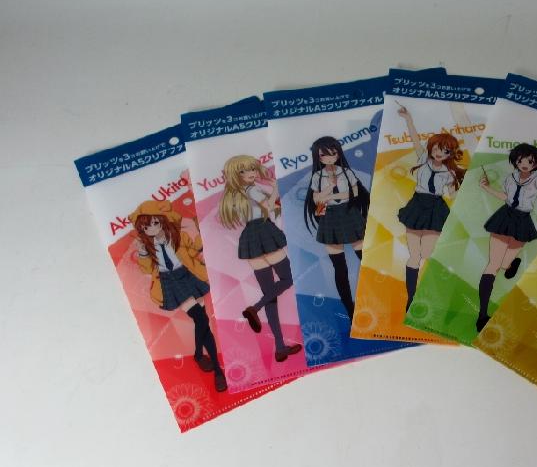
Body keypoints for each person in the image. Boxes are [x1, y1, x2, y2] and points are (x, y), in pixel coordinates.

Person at [475, 142, 537, 332]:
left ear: (536, 163)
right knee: (493, 265)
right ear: (515, 162)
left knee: (504, 264)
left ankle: (511, 264)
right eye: (520, 161)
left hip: (522, 221)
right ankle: (482, 315)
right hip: (505, 217)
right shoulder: (510, 178)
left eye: (530, 161)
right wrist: (486, 187)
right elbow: (506, 197)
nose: (525, 164)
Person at [131, 199, 227, 392]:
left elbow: (194, 248)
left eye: (154, 223)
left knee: (202, 320)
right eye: (146, 227)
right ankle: (215, 369)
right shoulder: (148, 247)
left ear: (162, 220)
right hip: (170, 282)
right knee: (201, 319)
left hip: (188, 274)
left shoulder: (177, 236)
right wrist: (142, 254)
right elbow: (147, 269)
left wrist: (202, 230)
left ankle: (202, 357)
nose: (151, 229)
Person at [219, 155, 302, 362]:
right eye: (244, 171)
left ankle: (280, 347)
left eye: (252, 169)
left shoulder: (234, 195)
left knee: (270, 295)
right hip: (264, 232)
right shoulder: (251, 189)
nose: (251, 173)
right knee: (287, 278)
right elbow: (269, 205)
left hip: (250, 237)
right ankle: (255, 309)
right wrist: (275, 189)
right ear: (235, 175)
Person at [395, 104, 465, 310]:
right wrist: (408, 119)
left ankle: (432, 292)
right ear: (431, 148)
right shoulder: (422, 159)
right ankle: (411, 298)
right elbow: (415, 139)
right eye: (436, 149)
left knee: (427, 254)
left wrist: (466, 189)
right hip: (417, 205)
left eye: (444, 150)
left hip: (435, 208)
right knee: (414, 256)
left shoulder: (450, 172)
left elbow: (453, 195)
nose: (438, 153)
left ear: (450, 153)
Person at [303, 136, 370, 318]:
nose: (330, 158)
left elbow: (353, 193)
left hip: (349, 214)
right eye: (324, 155)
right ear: (318, 157)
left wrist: (329, 196)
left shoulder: (346, 172)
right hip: (330, 217)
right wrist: (329, 189)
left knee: (365, 259)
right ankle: (350, 309)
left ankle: (372, 298)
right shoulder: (317, 176)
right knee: (340, 268)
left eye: (333, 153)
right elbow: (316, 199)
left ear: (338, 153)